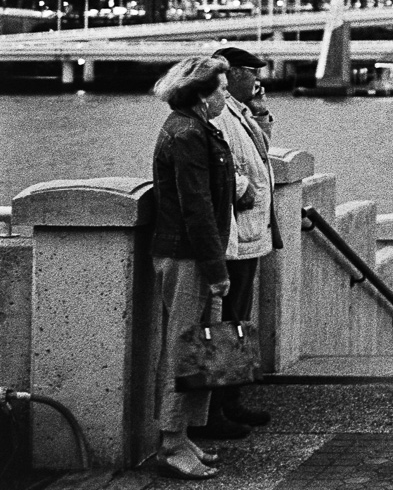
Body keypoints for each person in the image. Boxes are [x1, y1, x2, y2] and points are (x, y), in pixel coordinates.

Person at [189, 46, 282, 440]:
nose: (257, 80)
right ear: (233, 74)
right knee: (224, 321)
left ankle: (232, 401)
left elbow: (258, 149)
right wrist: (240, 188)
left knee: (237, 320)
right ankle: (213, 412)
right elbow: (220, 161)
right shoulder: (219, 114)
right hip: (234, 233)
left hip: (250, 231)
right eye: (251, 73)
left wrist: (260, 109)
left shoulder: (240, 110)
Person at [150, 55, 235, 480]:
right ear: (201, 95)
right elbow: (196, 208)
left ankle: (183, 437)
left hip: (196, 253)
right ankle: (169, 443)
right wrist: (217, 269)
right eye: (219, 89)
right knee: (185, 348)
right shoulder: (186, 134)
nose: (225, 94)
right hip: (188, 256)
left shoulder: (196, 128)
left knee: (201, 347)